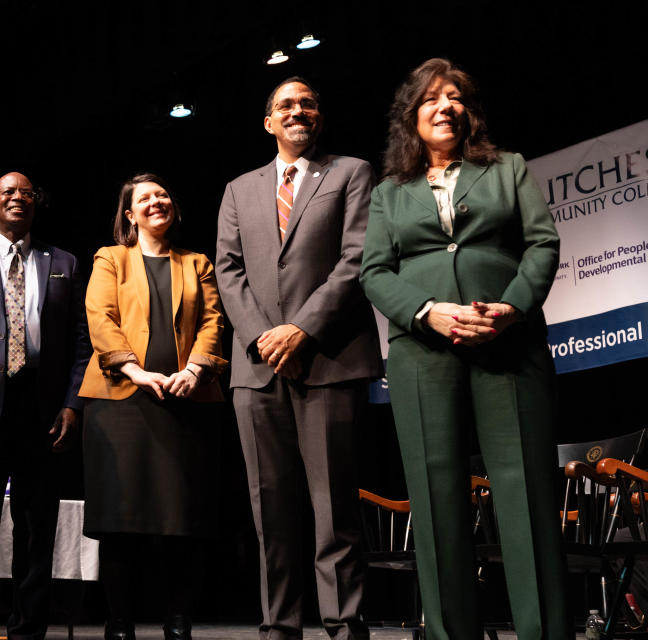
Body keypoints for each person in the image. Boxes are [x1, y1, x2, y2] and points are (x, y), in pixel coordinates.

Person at [359, 58, 569, 640]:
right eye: (430, 99)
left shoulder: (508, 169)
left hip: (509, 343)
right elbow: (374, 272)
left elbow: (542, 244)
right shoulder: (389, 193)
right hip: (423, 354)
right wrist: (428, 311)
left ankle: (544, 631)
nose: (444, 106)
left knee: (524, 489)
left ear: (468, 113)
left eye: (454, 97)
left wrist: (513, 307)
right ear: (413, 118)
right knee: (436, 494)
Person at [215, 77, 383, 640]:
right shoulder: (239, 189)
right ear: (268, 122)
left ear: (319, 116)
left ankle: (342, 623)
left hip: (330, 359)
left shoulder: (351, 172)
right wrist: (266, 337)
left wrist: (302, 330)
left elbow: (357, 257)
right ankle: (279, 625)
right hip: (257, 371)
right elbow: (228, 271)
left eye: (308, 103)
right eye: (285, 105)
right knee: (270, 509)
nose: (297, 110)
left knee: (334, 504)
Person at [79, 173, 228, 640]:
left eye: (163, 194)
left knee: (183, 517)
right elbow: (100, 318)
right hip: (120, 403)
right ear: (129, 214)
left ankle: (179, 619)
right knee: (120, 518)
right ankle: (119, 620)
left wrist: (195, 371)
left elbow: (213, 320)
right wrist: (137, 372)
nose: (156, 201)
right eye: (144, 198)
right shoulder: (111, 258)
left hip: (187, 402)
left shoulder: (197, 262)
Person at [0, 171, 91, 640]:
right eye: (7, 192)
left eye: (26, 192)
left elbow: (80, 341)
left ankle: (28, 631)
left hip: (44, 413)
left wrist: (72, 405)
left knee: (36, 531)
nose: (17, 197)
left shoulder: (64, 261)